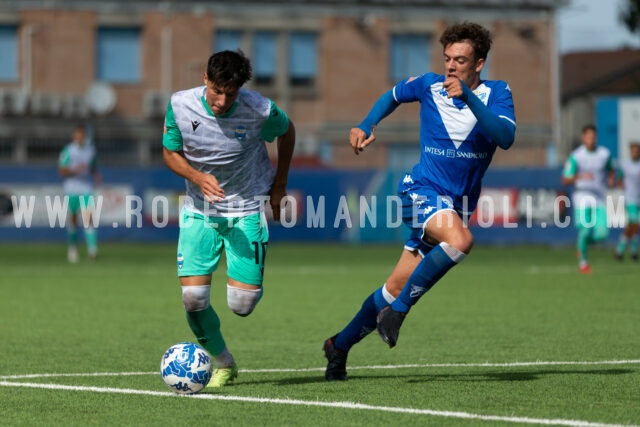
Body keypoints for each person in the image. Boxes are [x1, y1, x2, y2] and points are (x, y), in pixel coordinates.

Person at [323, 22, 516, 381]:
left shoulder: (498, 93)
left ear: (479, 64)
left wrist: (468, 98)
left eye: (460, 59)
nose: (451, 66)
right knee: (460, 242)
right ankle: (398, 314)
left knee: (393, 287)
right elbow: (392, 96)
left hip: (456, 208)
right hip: (420, 191)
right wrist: (365, 124)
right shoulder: (428, 84)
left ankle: (339, 345)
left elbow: (504, 137)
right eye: (447, 58)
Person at [162, 50, 295, 388]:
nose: (222, 101)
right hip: (199, 212)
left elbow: (288, 131)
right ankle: (224, 362)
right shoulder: (180, 104)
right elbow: (169, 152)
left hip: (247, 209)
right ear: (206, 79)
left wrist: (279, 185)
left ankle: (248, 275)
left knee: (242, 305)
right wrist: (197, 177)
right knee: (193, 299)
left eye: (230, 93)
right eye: (216, 90)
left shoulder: (259, 109)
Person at [561, 125, 614, 274]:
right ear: (583, 138)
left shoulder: (604, 154)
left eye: (593, 137)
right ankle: (583, 262)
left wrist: (610, 179)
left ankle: (581, 246)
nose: (591, 140)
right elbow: (565, 179)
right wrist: (580, 177)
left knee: (602, 234)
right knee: (585, 230)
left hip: (599, 196)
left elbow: (611, 168)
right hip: (582, 196)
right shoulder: (576, 156)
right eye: (588, 137)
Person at [57, 124, 101, 263]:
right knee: (74, 220)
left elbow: (92, 166)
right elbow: (62, 171)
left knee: (88, 218)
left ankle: (92, 250)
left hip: (85, 188)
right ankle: (73, 248)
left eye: (82, 134)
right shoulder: (68, 151)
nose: (80, 137)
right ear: (74, 136)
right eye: (78, 134)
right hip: (71, 188)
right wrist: (75, 170)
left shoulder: (91, 151)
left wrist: (95, 175)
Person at [614, 142, 640, 261]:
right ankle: (629, 249)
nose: (635, 153)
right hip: (630, 198)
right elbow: (619, 179)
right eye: (633, 150)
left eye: (637, 150)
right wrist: (621, 186)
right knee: (634, 222)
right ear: (630, 152)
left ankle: (623, 249)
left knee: (635, 225)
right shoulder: (625, 165)